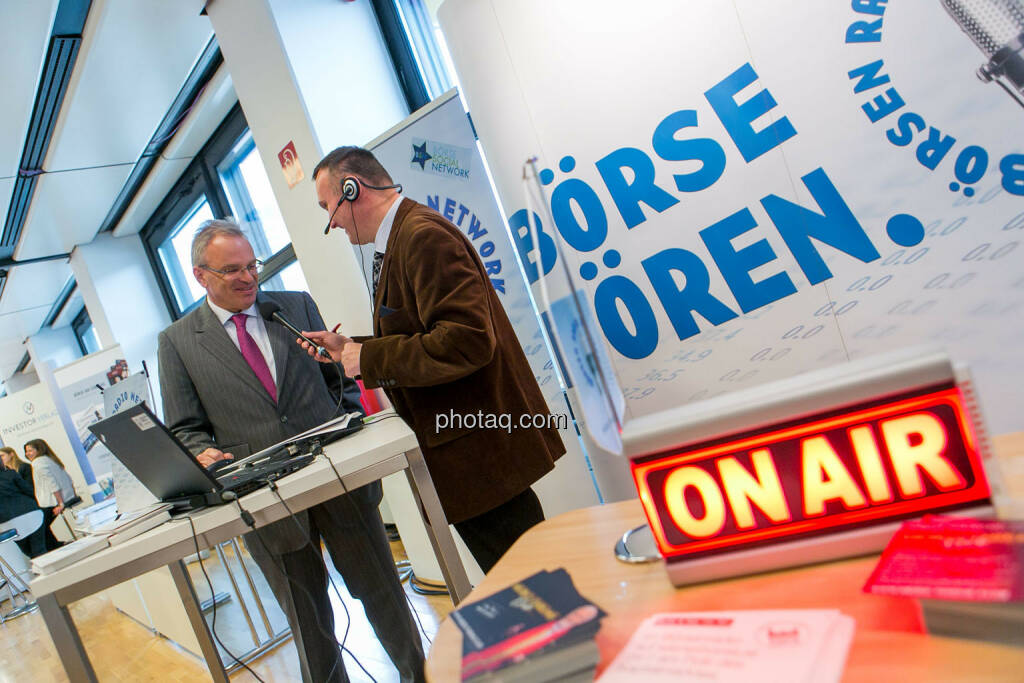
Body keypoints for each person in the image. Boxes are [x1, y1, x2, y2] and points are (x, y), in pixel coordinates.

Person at [157, 219, 424, 683]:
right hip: (264, 504)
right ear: (200, 275)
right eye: (231, 270)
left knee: (385, 598)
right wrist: (202, 454)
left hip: (339, 482)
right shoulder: (178, 342)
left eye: (251, 266)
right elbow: (186, 429)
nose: (247, 278)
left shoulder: (295, 306)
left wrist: (344, 426)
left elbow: (339, 381)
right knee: (308, 622)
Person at [306, 146, 565, 573]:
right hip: (470, 456)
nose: (330, 224)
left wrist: (368, 357)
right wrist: (351, 349)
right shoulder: (401, 239)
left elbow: (466, 341)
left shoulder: (421, 236)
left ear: (353, 189)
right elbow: (421, 333)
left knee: (538, 591)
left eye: (327, 207)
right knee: (532, 590)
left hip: (478, 456)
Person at [24, 439, 75, 551]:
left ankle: (56, 549)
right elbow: (68, 480)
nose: (27, 454)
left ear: (39, 450)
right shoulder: (50, 460)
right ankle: (57, 547)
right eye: (26, 451)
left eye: (30, 450)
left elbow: (52, 484)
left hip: (52, 502)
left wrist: (60, 504)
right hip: (63, 498)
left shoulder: (37, 463)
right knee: (43, 528)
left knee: (39, 528)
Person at [0, 462, 48, 558]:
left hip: (8, 523)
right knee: (40, 550)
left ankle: (40, 570)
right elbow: (29, 490)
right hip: (30, 513)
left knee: (30, 553)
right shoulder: (10, 473)